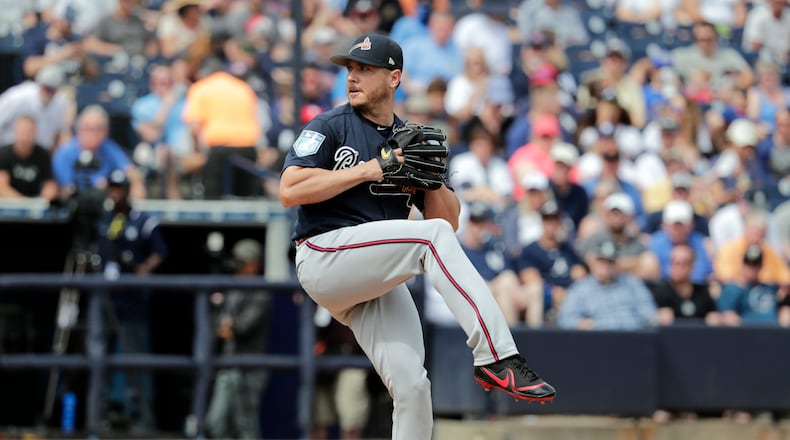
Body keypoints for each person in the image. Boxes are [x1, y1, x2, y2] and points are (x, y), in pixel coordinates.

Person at [279, 33, 556, 440]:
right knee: (430, 238)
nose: (352, 77)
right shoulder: (331, 125)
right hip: (324, 253)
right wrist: (370, 169)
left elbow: (449, 221)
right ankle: (496, 357)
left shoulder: (410, 138)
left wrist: (433, 183)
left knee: (412, 386)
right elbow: (290, 189)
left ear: (394, 78)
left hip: (372, 277)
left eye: (364, 69)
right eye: (350, 69)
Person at [95, 169, 167, 432]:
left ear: (127, 190)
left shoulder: (142, 220)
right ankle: (105, 414)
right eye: (111, 188)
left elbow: (160, 251)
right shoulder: (104, 220)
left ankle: (139, 415)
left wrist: (145, 268)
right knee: (102, 356)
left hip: (133, 301)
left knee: (134, 357)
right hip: (106, 300)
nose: (115, 193)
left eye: (119, 188)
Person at [205, 239, 273, 440]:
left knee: (245, 425)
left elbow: (243, 327)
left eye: (244, 262)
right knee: (215, 423)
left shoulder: (261, 290)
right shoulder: (231, 285)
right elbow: (218, 326)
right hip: (227, 363)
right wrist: (225, 327)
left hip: (250, 366)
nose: (240, 266)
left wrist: (228, 327)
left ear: (255, 263)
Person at [182, 58, 262, 199]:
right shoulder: (243, 87)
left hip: (218, 149)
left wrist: (197, 152)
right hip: (248, 148)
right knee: (246, 199)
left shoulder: (201, 87)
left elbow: (194, 127)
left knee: (214, 202)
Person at [557, 240, 658, 330]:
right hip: (599, 342)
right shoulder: (581, 288)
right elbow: (565, 319)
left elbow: (649, 313)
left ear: (616, 263)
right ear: (593, 263)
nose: (605, 266)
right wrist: (582, 324)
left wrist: (657, 318)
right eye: (602, 261)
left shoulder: (632, 283)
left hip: (633, 338)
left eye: (610, 261)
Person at [52, 105, 147, 201]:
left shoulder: (108, 147)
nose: (93, 134)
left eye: (98, 129)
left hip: (104, 207)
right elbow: (64, 191)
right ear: (79, 130)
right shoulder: (64, 153)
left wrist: (135, 187)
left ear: (106, 132)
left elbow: (132, 174)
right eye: (88, 128)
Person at [650, 243, 720, 326]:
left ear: (692, 266)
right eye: (675, 263)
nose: (678, 268)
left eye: (683, 264)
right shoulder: (660, 292)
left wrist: (716, 319)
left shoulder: (703, 292)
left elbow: (713, 315)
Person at [0, 116, 58, 201]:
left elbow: (50, 185)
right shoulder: (4, 153)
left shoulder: (43, 155)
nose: (25, 136)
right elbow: (2, 187)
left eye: (29, 132)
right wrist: (24, 202)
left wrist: (43, 199)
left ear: (35, 133)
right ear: (15, 132)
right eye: (22, 132)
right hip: (9, 203)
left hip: (36, 203)